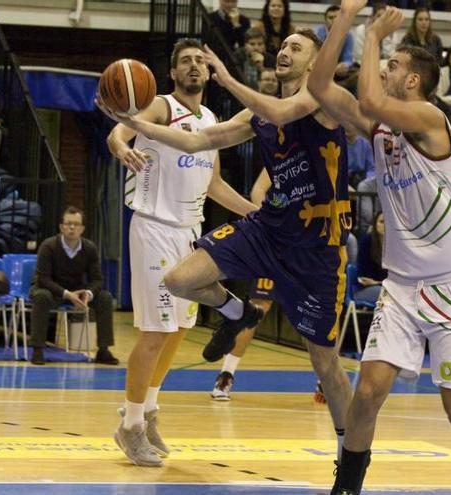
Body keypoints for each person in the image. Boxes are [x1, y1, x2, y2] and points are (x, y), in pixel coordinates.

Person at [111, 29, 355, 470]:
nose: (284, 51)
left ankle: (351, 456)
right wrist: (130, 124)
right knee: (179, 282)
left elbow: (282, 110)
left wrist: (226, 76)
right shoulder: (248, 115)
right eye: (282, 46)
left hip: (317, 247)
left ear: (316, 63)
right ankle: (235, 314)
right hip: (268, 228)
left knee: (326, 365)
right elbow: (193, 141)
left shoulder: (323, 98)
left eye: (296, 48)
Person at [307, 3, 451, 493]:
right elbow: (318, 86)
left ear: (413, 80)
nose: (383, 68)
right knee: (368, 392)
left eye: (392, 65)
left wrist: (373, 33)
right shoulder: (379, 124)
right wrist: (345, 23)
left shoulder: (429, 116)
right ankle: (347, 486)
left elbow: (371, 100)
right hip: (403, 285)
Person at [101, 39, 258, 467]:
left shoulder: (209, 120)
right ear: (172, 73)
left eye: (199, 62)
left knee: (178, 330)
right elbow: (119, 131)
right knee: (155, 331)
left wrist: (257, 213)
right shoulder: (160, 106)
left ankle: (148, 409)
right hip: (154, 227)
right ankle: (129, 426)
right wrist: (122, 148)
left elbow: (215, 187)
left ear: (208, 73)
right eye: (185, 61)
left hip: (190, 232)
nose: (193, 67)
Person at [211, 168, 274, 401]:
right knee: (258, 307)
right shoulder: (282, 154)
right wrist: (269, 220)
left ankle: (325, 381)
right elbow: (257, 190)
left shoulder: (327, 155)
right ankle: (226, 375)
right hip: (279, 243)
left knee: (322, 312)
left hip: (311, 247)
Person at [29, 206, 118, 366]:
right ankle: (37, 349)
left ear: (82, 229)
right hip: (51, 290)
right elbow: (43, 278)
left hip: (77, 291)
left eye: (76, 224)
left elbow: (97, 279)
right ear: (61, 227)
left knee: (105, 298)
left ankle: (103, 350)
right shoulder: (48, 246)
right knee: (41, 297)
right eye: (68, 224)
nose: (72, 227)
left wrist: (88, 294)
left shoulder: (89, 248)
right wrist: (67, 294)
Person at [353, 212, 386, 305]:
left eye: (388, 222)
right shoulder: (366, 241)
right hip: (363, 289)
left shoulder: (393, 245)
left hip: (382, 286)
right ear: (375, 224)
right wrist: (380, 283)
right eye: (381, 222)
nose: (385, 225)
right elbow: (363, 278)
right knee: (390, 295)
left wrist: (377, 282)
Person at [315, 5, 354, 80]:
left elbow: (348, 58)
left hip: (339, 72)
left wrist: (345, 65)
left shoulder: (348, 35)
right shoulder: (317, 34)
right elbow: (315, 57)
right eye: (330, 18)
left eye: (337, 17)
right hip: (319, 71)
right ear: (325, 21)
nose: (334, 20)